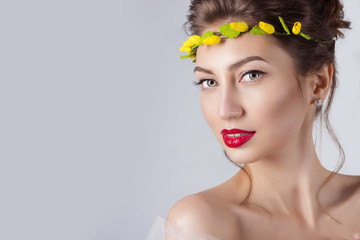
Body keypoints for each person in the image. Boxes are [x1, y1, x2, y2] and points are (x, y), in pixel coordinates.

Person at [145, 0, 360, 239]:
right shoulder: (201, 222)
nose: (225, 110)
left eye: (251, 75)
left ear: (318, 82)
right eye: (209, 82)